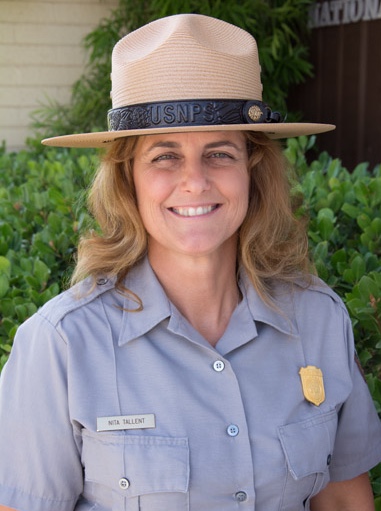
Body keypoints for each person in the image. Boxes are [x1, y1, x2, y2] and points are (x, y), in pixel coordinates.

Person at [0, 13, 380, 511]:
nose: (195, 181)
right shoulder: (62, 346)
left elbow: (342, 497)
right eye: (164, 156)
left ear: (253, 169)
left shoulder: (319, 319)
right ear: (128, 179)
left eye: (220, 153)